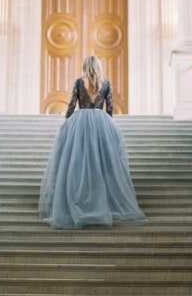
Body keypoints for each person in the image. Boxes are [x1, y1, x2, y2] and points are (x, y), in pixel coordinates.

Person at [38, 56, 146, 229]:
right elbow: (109, 108)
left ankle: (78, 201)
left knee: (78, 164)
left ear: (85, 66)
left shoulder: (79, 82)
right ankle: (102, 202)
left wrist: (66, 123)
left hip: (80, 122)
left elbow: (72, 104)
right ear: (98, 67)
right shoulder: (106, 84)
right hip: (100, 121)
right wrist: (107, 127)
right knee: (102, 165)